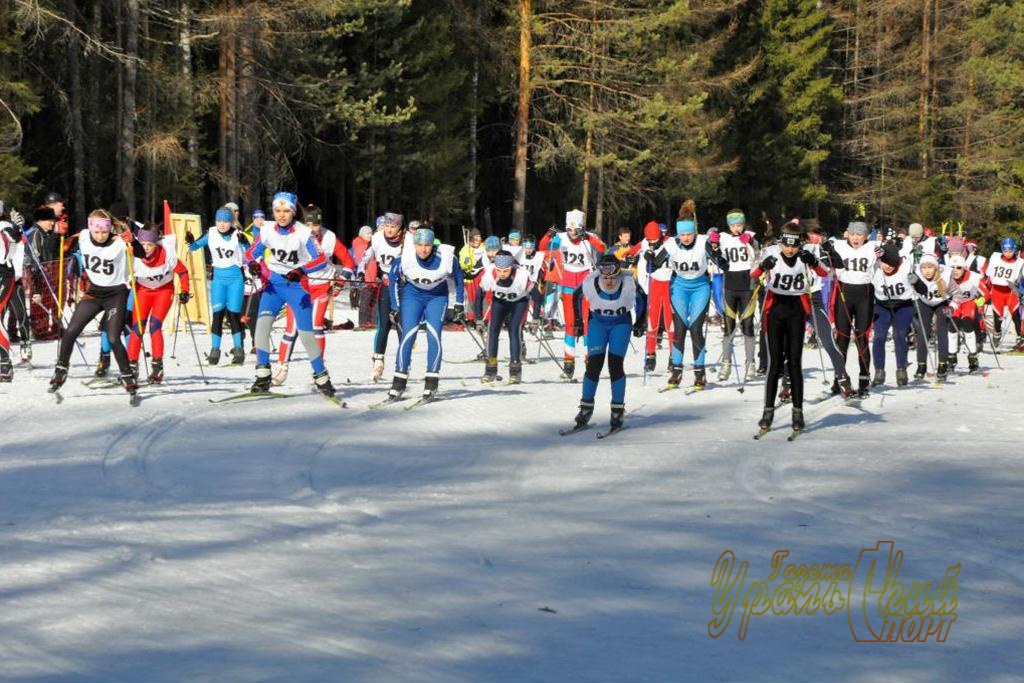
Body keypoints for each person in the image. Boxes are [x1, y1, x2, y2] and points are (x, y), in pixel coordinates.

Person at [244, 191, 336, 397]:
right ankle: (262, 375)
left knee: (306, 336)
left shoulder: (304, 232)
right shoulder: (267, 229)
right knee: (261, 329)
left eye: (286, 211)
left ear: (293, 212)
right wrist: (253, 265)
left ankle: (322, 378)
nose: (282, 215)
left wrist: (302, 270)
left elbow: (320, 259)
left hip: (297, 287)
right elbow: (251, 253)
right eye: (278, 211)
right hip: (273, 287)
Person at [49, 210, 143, 398]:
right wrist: (57, 234)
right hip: (93, 293)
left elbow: (142, 254)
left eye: (104, 232)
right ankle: (61, 369)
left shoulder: (119, 241)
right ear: (90, 228)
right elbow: (60, 249)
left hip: (116, 293)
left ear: (110, 229)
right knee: (70, 331)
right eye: (96, 232)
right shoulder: (83, 236)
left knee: (114, 338)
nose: (100, 236)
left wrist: (133, 240)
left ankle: (127, 375)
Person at [749, 225, 828, 433]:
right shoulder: (771, 252)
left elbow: (824, 272)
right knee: (775, 362)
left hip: (796, 310)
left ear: (798, 244)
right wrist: (763, 266)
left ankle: (797, 411)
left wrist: (813, 262)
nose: (789, 250)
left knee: (794, 362)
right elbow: (754, 274)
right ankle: (768, 411)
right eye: (786, 245)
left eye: (793, 246)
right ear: (781, 242)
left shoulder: (805, 254)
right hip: (775, 309)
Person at [273, 204, 355, 383]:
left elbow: (349, 262)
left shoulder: (329, 237)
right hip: (299, 289)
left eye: (315, 226)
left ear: (320, 224)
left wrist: (339, 283)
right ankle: (281, 368)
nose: (312, 230)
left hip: (321, 287)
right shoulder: (293, 235)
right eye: (308, 226)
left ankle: (318, 370)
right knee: (291, 330)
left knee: (316, 326)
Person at [385, 225, 465, 401]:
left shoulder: (446, 258)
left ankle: (431, 381)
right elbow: (392, 280)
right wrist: (395, 307)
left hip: (436, 296)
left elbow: (459, 278)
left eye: (427, 245)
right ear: (414, 244)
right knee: (408, 335)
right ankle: (399, 381)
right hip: (413, 295)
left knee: (434, 335)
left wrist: (459, 302)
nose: (423, 249)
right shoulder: (404, 258)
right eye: (419, 245)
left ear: (433, 244)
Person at [653, 199, 725, 390]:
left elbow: (723, 263)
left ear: (694, 232)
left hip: (700, 287)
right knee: (679, 329)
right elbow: (654, 265)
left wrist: (717, 253)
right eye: (683, 234)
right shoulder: (671, 244)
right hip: (679, 288)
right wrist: (649, 258)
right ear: (678, 233)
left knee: (695, 329)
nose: (686, 238)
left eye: (689, 234)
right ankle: (676, 371)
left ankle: (700, 374)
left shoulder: (702, 242)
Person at [568, 254, 645, 431]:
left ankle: (617, 410)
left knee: (615, 365)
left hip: (620, 324)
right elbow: (575, 296)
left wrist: (640, 322)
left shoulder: (628, 281)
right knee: (594, 364)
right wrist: (579, 321)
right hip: (598, 324)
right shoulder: (591, 281)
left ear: (619, 273)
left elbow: (643, 298)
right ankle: (586, 408)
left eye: (612, 277)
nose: (609, 282)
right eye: (605, 277)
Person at [537, 209, 607, 379]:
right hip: (568, 286)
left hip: (586, 286)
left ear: (582, 228)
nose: (572, 234)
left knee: (586, 324)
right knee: (569, 325)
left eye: (576, 231)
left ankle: (590, 359)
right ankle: (568, 363)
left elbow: (602, 248)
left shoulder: (587, 237)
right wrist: (548, 234)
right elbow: (542, 247)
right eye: (569, 230)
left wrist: (588, 238)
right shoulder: (560, 238)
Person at [185, 206, 249, 365]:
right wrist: (190, 239)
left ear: (231, 222)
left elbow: (251, 253)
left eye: (226, 221)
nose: (222, 224)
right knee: (218, 314)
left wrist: (245, 243)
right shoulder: (211, 233)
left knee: (234, 315)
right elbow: (193, 247)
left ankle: (239, 349)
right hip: (218, 279)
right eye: (219, 220)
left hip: (235, 278)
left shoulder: (237, 234)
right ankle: (215, 350)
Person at [127, 226, 191, 383]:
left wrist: (185, 290)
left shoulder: (167, 254)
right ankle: (131, 366)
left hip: (163, 291)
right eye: (142, 244)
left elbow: (182, 271)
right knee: (137, 328)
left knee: (155, 326)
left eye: (150, 244)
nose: (146, 248)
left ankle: (157, 367)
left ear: (156, 244)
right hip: (143, 292)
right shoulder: (133, 255)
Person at [822, 219, 877, 398]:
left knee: (862, 338)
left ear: (866, 236)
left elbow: (892, 257)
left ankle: (864, 380)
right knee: (842, 338)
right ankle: (840, 379)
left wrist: (888, 251)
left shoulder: (872, 247)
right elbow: (821, 256)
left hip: (865, 294)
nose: (855, 238)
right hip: (843, 293)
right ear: (847, 233)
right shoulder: (838, 244)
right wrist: (825, 248)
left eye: (860, 235)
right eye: (853, 234)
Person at [357, 212, 405, 380]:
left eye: (393, 227)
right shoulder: (377, 238)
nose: (389, 230)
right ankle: (378, 362)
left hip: (403, 287)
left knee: (401, 325)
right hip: (386, 285)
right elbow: (366, 255)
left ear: (400, 228)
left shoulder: (408, 240)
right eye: (387, 226)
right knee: (383, 323)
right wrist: (361, 271)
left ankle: (403, 363)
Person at [714, 209, 759, 381]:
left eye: (739, 225)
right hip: (730, 287)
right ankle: (726, 364)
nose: (736, 228)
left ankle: (750, 363)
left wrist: (750, 242)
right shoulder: (724, 237)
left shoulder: (750, 236)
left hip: (747, 286)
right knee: (728, 327)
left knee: (747, 326)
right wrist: (714, 248)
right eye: (733, 225)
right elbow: (715, 252)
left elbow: (757, 254)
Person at [478, 250, 532, 383]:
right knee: (493, 330)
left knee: (514, 330)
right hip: (500, 302)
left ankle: (515, 370)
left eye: (506, 271)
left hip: (519, 302)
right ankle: (491, 368)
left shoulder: (522, 275)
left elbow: (537, 295)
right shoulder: (490, 273)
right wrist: (479, 318)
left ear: (512, 267)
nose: (502, 274)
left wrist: (536, 317)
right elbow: (479, 296)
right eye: (499, 270)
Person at [628, 221, 672, 372]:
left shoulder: (670, 242)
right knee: (652, 321)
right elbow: (631, 251)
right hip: (654, 284)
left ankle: (674, 357)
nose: (652, 242)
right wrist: (630, 258)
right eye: (650, 239)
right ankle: (650, 355)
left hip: (669, 285)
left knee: (669, 322)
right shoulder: (645, 243)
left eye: (655, 239)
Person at [870, 242, 916, 387]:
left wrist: (916, 281)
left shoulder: (906, 267)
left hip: (903, 306)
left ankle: (901, 370)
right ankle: (879, 371)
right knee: (879, 336)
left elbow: (920, 287)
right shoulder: (874, 268)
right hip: (882, 306)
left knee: (899, 335)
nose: (888, 266)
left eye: (891, 263)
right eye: (885, 263)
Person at [911, 253, 953, 380]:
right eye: (924, 267)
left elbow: (956, 292)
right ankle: (921, 365)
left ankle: (942, 364)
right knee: (923, 332)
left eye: (930, 267)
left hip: (942, 302)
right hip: (924, 302)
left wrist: (952, 307)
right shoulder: (916, 273)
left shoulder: (946, 274)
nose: (927, 271)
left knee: (942, 332)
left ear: (936, 268)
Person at [947, 254, 988, 373]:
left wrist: (981, 300)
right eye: (952, 268)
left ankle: (973, 358)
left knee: (967, 325)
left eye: (959, 268)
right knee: (952, 327)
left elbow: (986, 293)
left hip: (968, 303)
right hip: (954, 304)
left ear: (964, 268)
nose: (955, 271)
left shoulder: (974, 277)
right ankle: (952, 358)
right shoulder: (946, 277)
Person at [984, 237, 1024, 350]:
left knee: (1016, 317)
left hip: (1011, 292)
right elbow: (988, 274)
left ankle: (1020, 339)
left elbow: (1020, 278)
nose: (1007, 254)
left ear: (1014, 250)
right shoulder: (995, 257)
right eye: (1005, 251)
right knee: (997, 320)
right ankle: (997, 334)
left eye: (1010, 251)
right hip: (997, 292)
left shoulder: (1020, 262)